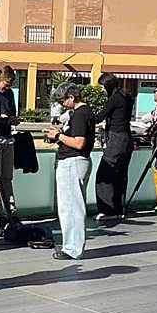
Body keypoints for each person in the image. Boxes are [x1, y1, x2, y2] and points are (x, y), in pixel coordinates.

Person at [46, 83, 95, 260]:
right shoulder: (84, 113)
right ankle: (71, 245)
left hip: (73, 162)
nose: (61, 104)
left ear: (72, 97)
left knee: (71, 208)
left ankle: (73, 248)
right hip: (77, 162)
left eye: (62, 100)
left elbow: (79, 142)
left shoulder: (81, 115)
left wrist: (58, 136)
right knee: (71, 206)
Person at [93, 73, 133, 222]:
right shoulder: (127, 97)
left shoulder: (114, 98)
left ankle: (107, 210)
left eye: (102, 87)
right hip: (127, 139)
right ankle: (119, 209)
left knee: (105, 174)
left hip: (116, 139)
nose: (102, 90)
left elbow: (99, 116)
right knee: (120, 176)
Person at [0, 65, 20, 229]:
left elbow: (12, 111)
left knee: (7, 179)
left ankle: (11, 212)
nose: (7, 88)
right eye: (6, 85)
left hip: (7, 137)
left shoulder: (8, 94)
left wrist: (13, 119)